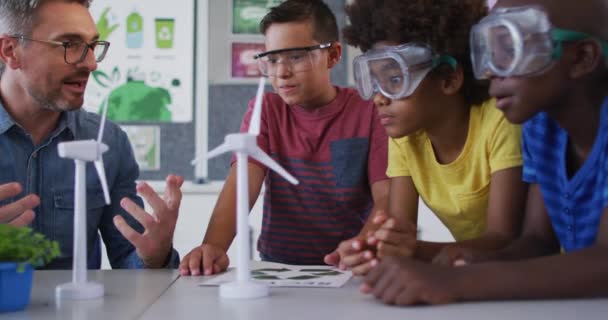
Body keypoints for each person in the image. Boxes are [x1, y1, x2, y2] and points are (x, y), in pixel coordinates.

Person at [362, 0, 608, 305]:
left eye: (511, 48)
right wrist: (466, 258)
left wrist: (458, 281)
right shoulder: (541, 128)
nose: (490, 70)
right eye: (489, 51)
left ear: (582, 57)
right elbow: (536, 242)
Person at [180, 0, 389, 276]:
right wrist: (213, 246)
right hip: (278, 268)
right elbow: (242, 183)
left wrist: (361, 246)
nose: (281, 72)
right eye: (273, 59)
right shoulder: (266, 110)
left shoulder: (368, 110)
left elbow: (386, 198)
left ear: (333, 55)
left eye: (296, 56)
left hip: (350, 268)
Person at [338, 0, 526, 276]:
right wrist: (373, 247)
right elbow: (399, 231)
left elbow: (503, 239)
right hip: (472, 277)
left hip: (535, 279)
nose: (379, 98)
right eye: (375, 81)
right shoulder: (405, 137)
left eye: (394, 80)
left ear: (448, 79)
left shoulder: (500, 122)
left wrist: (411, 251)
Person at [0, 0, 181, 269]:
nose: (91, 63)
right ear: (11, 51)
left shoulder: (108, 141)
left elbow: (129, 258)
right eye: (69, 45)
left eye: (92, 46)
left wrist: (154, 255)